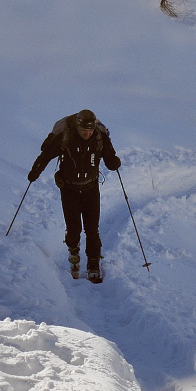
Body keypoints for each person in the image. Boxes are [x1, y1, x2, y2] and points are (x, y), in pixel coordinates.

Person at [28, 109, 120, 284]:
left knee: (92, 229)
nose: (87, 134)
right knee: (74, 227)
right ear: (77, 126)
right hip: (69, 190)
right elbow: (46, 155)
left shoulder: (100, 138)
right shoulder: (65, 137)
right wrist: (35, 172)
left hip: (91, 189)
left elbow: (110, 159)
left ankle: (93, 264)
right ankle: (74, 252)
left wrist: (115, 163)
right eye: (84, 130)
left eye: (90, 130)